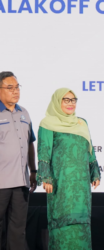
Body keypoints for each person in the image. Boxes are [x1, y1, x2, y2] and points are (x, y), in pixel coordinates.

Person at [37, 88, 101, 250]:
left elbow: (90, 150)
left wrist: (95, 172)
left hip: (81, 186)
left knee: (81, 224)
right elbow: (44, 152)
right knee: (63, 224)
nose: (70, 103)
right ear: (57, 102)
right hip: (61, 184)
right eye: (66, 100)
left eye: (73, 100)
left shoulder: (82, 122)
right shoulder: (48, 123)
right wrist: (46, 177)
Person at [0, 71, 37, 249]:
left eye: (17, 87)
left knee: (18, 230)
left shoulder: (25, 113)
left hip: (21, 183)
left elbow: (30, 144)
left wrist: (34, 170)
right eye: (10, 88)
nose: (15, 91)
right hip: (1, 183)